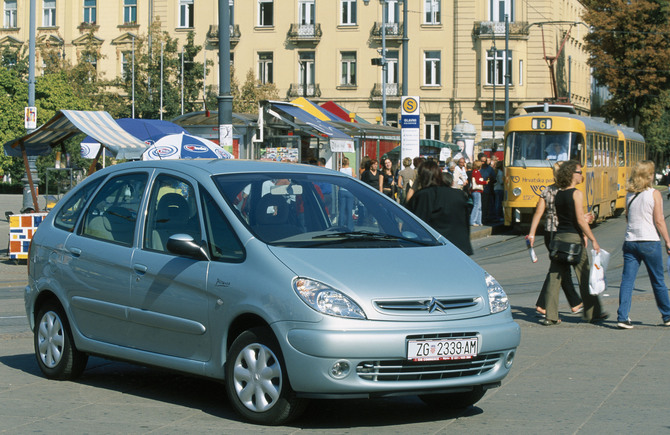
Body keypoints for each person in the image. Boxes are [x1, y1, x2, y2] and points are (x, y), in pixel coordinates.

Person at [531, 160, 607, 325]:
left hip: (559, 238)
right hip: (573, 238)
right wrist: (592, 238)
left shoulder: (558, 194)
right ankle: (592, 313)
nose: (581, 175)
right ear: (572, 175)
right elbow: (579, 220)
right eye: (579, 172)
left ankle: (550, 315)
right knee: (585, 275)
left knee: (554, 277)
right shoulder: (576, 193)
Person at [616, 160, 670, 329]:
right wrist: (668, 240)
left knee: (627, 281)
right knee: (657, 280)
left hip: (630, 241)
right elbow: (659, 220)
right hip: (649, 241)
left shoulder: (629, 194)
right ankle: (667, 315)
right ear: (649, 175)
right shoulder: (654, 194)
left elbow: (627, 217)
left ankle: (622, 317)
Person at [528, 162, 584, 317]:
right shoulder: (567, 191)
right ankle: (547, 304)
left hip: (549, 233)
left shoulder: (547, 190)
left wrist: (532, 233)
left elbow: (539, 214)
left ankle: (570, 303)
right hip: (563, 232)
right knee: (559, 267)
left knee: (560, 267)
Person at [407, 160, 473, 255]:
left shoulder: (424, 195)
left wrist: (415, 184)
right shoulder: (459, 194)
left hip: (437, 249)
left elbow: (411, 217)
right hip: (461, 248)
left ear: (422, 177)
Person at [338, 156, 355, 230]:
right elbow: (354, 178)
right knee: (349, 209)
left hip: (342, 190)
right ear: (348, 162)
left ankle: (341, 225)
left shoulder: (340, 170)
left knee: (342, 210)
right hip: (349, 191)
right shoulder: (351, 170)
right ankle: (350, 227)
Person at [470, 160, 486, 227]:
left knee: (479, 206)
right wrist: (485, 182)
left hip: (477, 191)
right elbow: (478, 181)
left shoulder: (475, 171)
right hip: (476, 191)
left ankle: (478, 221)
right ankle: (473, 221)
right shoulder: (476, 172)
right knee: (477, 206)